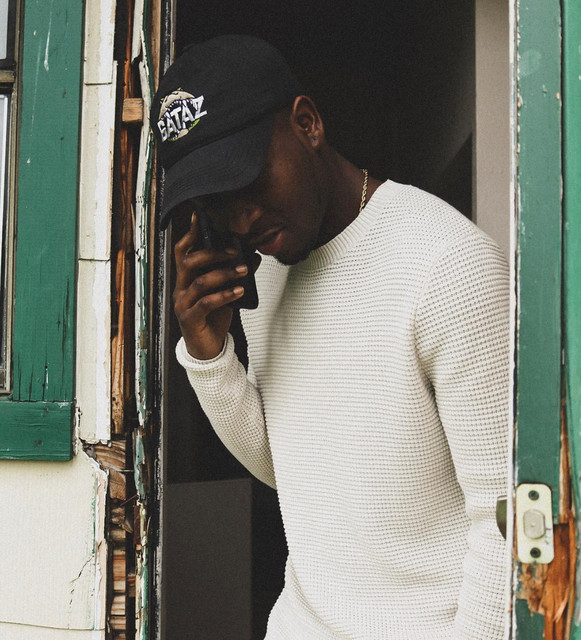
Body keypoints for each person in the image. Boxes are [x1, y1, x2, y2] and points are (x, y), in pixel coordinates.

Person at [151, 35, 509, 639]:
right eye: (216, 203)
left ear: (307, 124)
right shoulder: (268, 274)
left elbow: (508, 527)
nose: (241, 219)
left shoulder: (449, 267)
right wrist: (210, 357)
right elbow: (296, 474)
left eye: (248, 179)